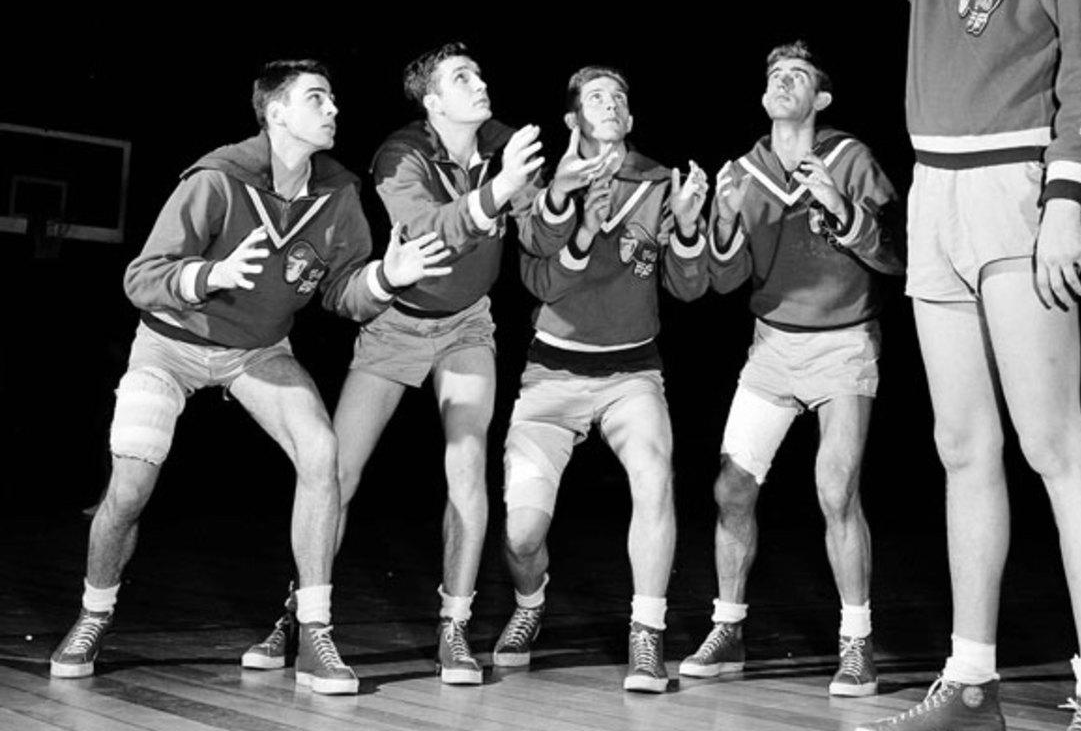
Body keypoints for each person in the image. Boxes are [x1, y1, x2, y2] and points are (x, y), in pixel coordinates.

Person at [671, 0, 1081, 731]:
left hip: (1019, 188)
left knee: (1054, 443)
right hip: (936, 201)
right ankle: (971, 689)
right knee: (961, 445)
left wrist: (1068, 198)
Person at [49, 59, 452, 695]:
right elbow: (141, 277)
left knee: (323, 451)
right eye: (317, 98)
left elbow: (342, 292)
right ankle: (93, 613)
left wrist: (386, 279)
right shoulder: (216, 180)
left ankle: (314, 634)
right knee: (128, 490)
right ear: (277, 113)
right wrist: (209, 275)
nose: (333, 109)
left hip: (257, 351)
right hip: (169, 346)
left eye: (334, 98)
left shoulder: (338, 195)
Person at [241, 42, 609, 684]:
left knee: (467, 459)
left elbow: (538, 238)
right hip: (395, 327)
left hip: (467, 324)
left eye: (480, 71)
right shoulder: (398, 156)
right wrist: (499, 191)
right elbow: (433, 230)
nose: (480, 82)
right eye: (463, 77)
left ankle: (456, 627)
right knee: (338, 472)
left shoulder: (501, 142)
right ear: (433, 102)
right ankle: (299, 614)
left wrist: (557, 196)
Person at [678, 40, 902, 698]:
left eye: (798, 75)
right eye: (774, 74)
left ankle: (856, 643)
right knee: (730, 489)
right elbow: (719, 280)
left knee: (835, 487)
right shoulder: (742, 174)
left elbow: (896, 255)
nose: (783, 82)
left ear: (821, 99)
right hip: (773, 347)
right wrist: (699, 223)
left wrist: (839, 203)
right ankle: (730, 628)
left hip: (843, 345)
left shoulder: (851, 158)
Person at [490, 65, 709, 693]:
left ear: (631, 119)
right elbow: (537, 275)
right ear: (572, 120)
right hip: (551, 376)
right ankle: (530, 605)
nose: (609, 105)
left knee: (655, 478)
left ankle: (647, 634)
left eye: (619, 98)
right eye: (594, 97)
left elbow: (688, 287)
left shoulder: (661, 181)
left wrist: (689, 227)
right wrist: (576, 217)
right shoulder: (538, 181)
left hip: (632, 373)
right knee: (522, 534)